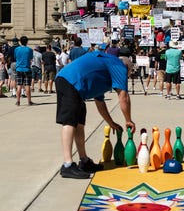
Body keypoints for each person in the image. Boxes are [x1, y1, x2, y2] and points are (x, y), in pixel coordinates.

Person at [55, 50, 135, 179]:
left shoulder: (104, 71)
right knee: (69, 121)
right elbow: (123, 96)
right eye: (130, 72)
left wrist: (111, 123)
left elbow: (100, 104)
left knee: (79, 122)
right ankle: (67, 165)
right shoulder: (119, 65)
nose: (128, 75)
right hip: (71, 81)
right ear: (127, 67)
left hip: (72, 82)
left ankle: (84, 161)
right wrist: (128, 120)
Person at [14, 36, 34, 106]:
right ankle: (29, 101)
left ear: (20, 41)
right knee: (27, 85)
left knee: (19, 85)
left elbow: (15, 57)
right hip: (27, 68)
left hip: (19, 68)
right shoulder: (30, 50)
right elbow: (31, 58)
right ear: (27, 42)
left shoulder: (16, 49)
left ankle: (18, 101)